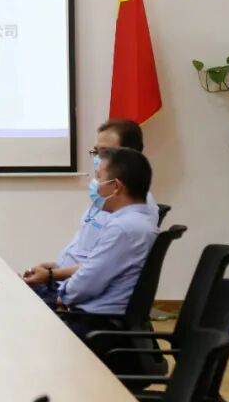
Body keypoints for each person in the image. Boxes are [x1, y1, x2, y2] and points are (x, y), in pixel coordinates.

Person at [23, 119, 159, 299]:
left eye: (104, 152)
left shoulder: (130, 212)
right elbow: (90, 258)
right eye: (95, 152)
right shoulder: (106, 199)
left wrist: (54, 278)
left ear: (128, 156)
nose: (97, 158)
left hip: (72, 293)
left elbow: (97, 271)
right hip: (64, 282)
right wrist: (56, 268)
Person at [56, 147, 158, 355]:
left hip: (96, 327)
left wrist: (60, 295)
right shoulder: (135, 222)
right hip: (105, 321)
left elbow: (87, 283)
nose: (94, 184)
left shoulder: (123, 228)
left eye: (98, 177)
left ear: (116, 186)